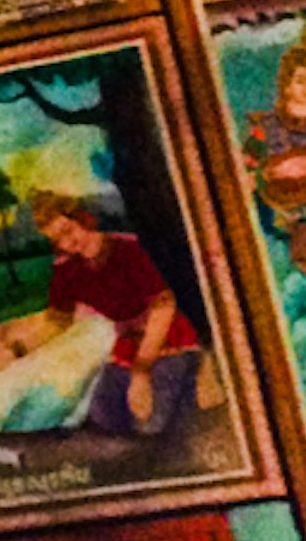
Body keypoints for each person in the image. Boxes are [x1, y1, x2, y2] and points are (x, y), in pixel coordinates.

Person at [32, 189, 203, 441]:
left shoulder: (129, 249)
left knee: (151, 427)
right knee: (104, 416)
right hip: (125, 346)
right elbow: (56, 320)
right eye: (57, 240)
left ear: (83, 219)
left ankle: (187, 388)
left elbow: (163, 308)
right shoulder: (68, 269)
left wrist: (141, 370)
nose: (68, 244)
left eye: (68, 231)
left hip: (165, 338)